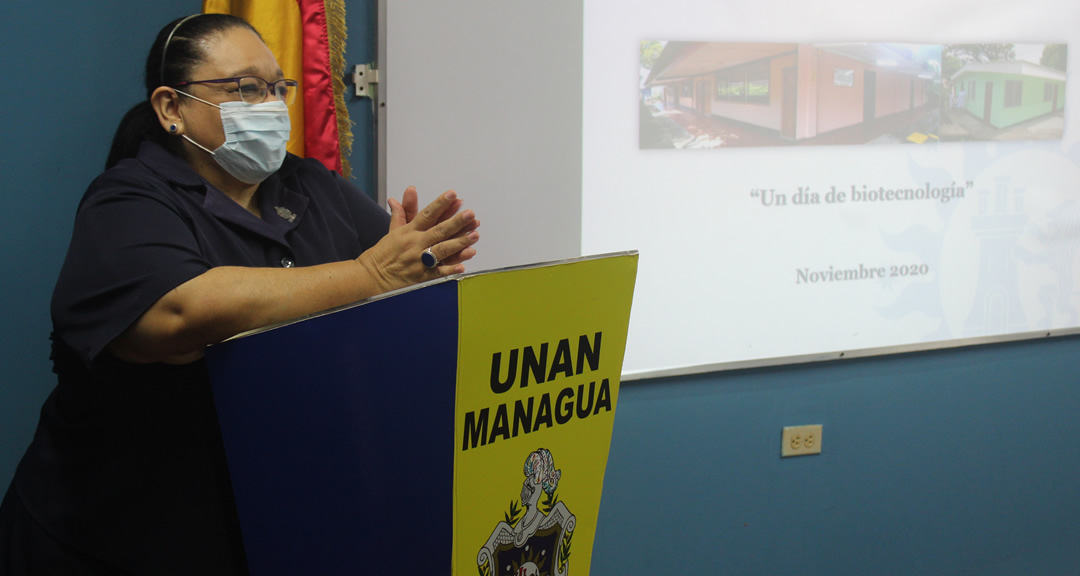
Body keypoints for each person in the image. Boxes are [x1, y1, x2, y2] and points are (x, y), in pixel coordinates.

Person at [0, 13, 479, 575]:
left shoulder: (310, 185)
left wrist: (421, 276)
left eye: (279, 87)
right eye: (247, 88)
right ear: (171, 108)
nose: (272, 104)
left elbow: (394, 288)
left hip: (267, 524)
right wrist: (372, 276)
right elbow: (184, 310)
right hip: (115, 538)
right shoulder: (126, 200)